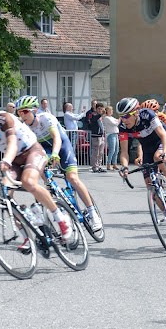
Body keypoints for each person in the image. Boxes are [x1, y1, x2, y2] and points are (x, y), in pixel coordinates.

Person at [0, 92, 73, 245]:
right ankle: (27, 237)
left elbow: (12, 143)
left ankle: (60, 218)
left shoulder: (3, 119)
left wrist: (6, 160)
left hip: (32, 150)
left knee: (28, 182)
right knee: (5, 193)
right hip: (13, 159)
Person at [16, 96, 102, 231]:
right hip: (45, 149)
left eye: (25, 111)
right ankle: (49, 187)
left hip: (61, 146)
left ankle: (93, 214)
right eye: (19, 113)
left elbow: (57, 138)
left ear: (34, 110)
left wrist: (55, 154)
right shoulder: (24, 128)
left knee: (72, 178)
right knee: (40, 167)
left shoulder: (46, 118)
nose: (22, 115)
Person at [116, 97, 166, 211]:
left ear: (136, 112)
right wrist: (124, 167)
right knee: (149, 184)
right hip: (147, 149)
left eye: (126, 116)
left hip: (162, 142)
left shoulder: (148, 115)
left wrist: (165, 153)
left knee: (158, 157)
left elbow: (164, 136)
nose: (124, 120)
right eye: (121, 116)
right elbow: (124, 152)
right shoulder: (122, 127)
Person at [102, 105, 120, 171]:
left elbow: (117, 121)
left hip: (115, 134)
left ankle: (114, 163)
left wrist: (118, 120)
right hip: (111, 135)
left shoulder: (111, 117)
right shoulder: (106, 118)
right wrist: (119, 120)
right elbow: (115, 123)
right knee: (112, 150)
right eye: (110, 110)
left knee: (116, 150)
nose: (112, 111)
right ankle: (108, 164)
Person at [89, 102, 105, 172]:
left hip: (101, 136)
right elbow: (93, 120)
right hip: (95, 136)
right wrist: (100, 114)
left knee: (101, 153)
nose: (100, 110)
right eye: (99, 109)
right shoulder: (93, 115)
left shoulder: (100, 116)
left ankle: (99, 166)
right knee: (96, 153)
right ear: (96, 108)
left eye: (101, 109)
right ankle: (95, 167)